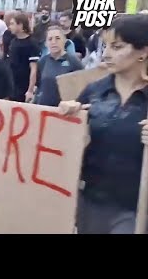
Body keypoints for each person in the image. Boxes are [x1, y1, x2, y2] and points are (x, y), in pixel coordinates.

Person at [60, 14, 148, 234]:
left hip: (135, 208)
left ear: (143, 51)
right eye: (105, 46)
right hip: (90, 201)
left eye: (117, 47)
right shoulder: (94, 91)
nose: (107, 54)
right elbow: (66, 145)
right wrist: (68, 118)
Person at [34, 26, 83, 106]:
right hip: (45, 109)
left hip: (64, 111)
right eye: (50, 39)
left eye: (57, 38)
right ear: (46, 43)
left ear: (64, 41)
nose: (54, 42)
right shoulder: (42, 62)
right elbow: (39, 87)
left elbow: (82, 88)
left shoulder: (74, 62)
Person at [8, 12, 40, 102]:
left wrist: (30, 90)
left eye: (12, 24)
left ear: (20, 25)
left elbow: (34, 69)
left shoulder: (32, 43)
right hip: (12, 85)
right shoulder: (13, 41)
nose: (10, 27)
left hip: (23, 87)